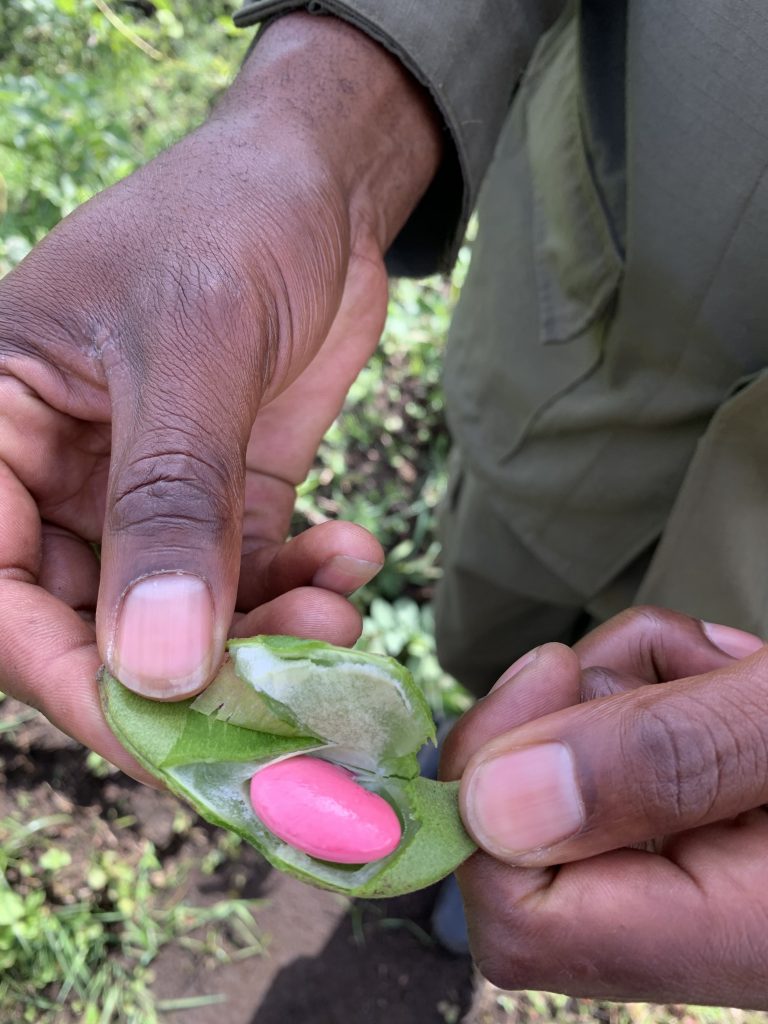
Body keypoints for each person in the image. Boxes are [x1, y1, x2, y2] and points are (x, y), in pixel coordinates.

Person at [1, 0, 767, 1006]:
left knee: (634, 770)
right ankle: (468, 804)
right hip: (598, 306)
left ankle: (495, 861)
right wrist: (326, 126)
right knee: (502, 639)